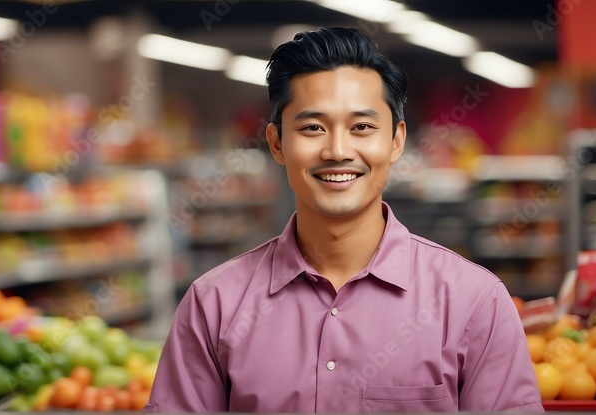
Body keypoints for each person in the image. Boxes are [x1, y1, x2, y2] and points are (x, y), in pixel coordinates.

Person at [144, 27, 543, 413]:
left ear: (396, 141)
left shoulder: (475, 303)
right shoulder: (214, 305)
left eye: (362, 127)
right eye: (313, 127)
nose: (337, 150)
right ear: (277, 143)